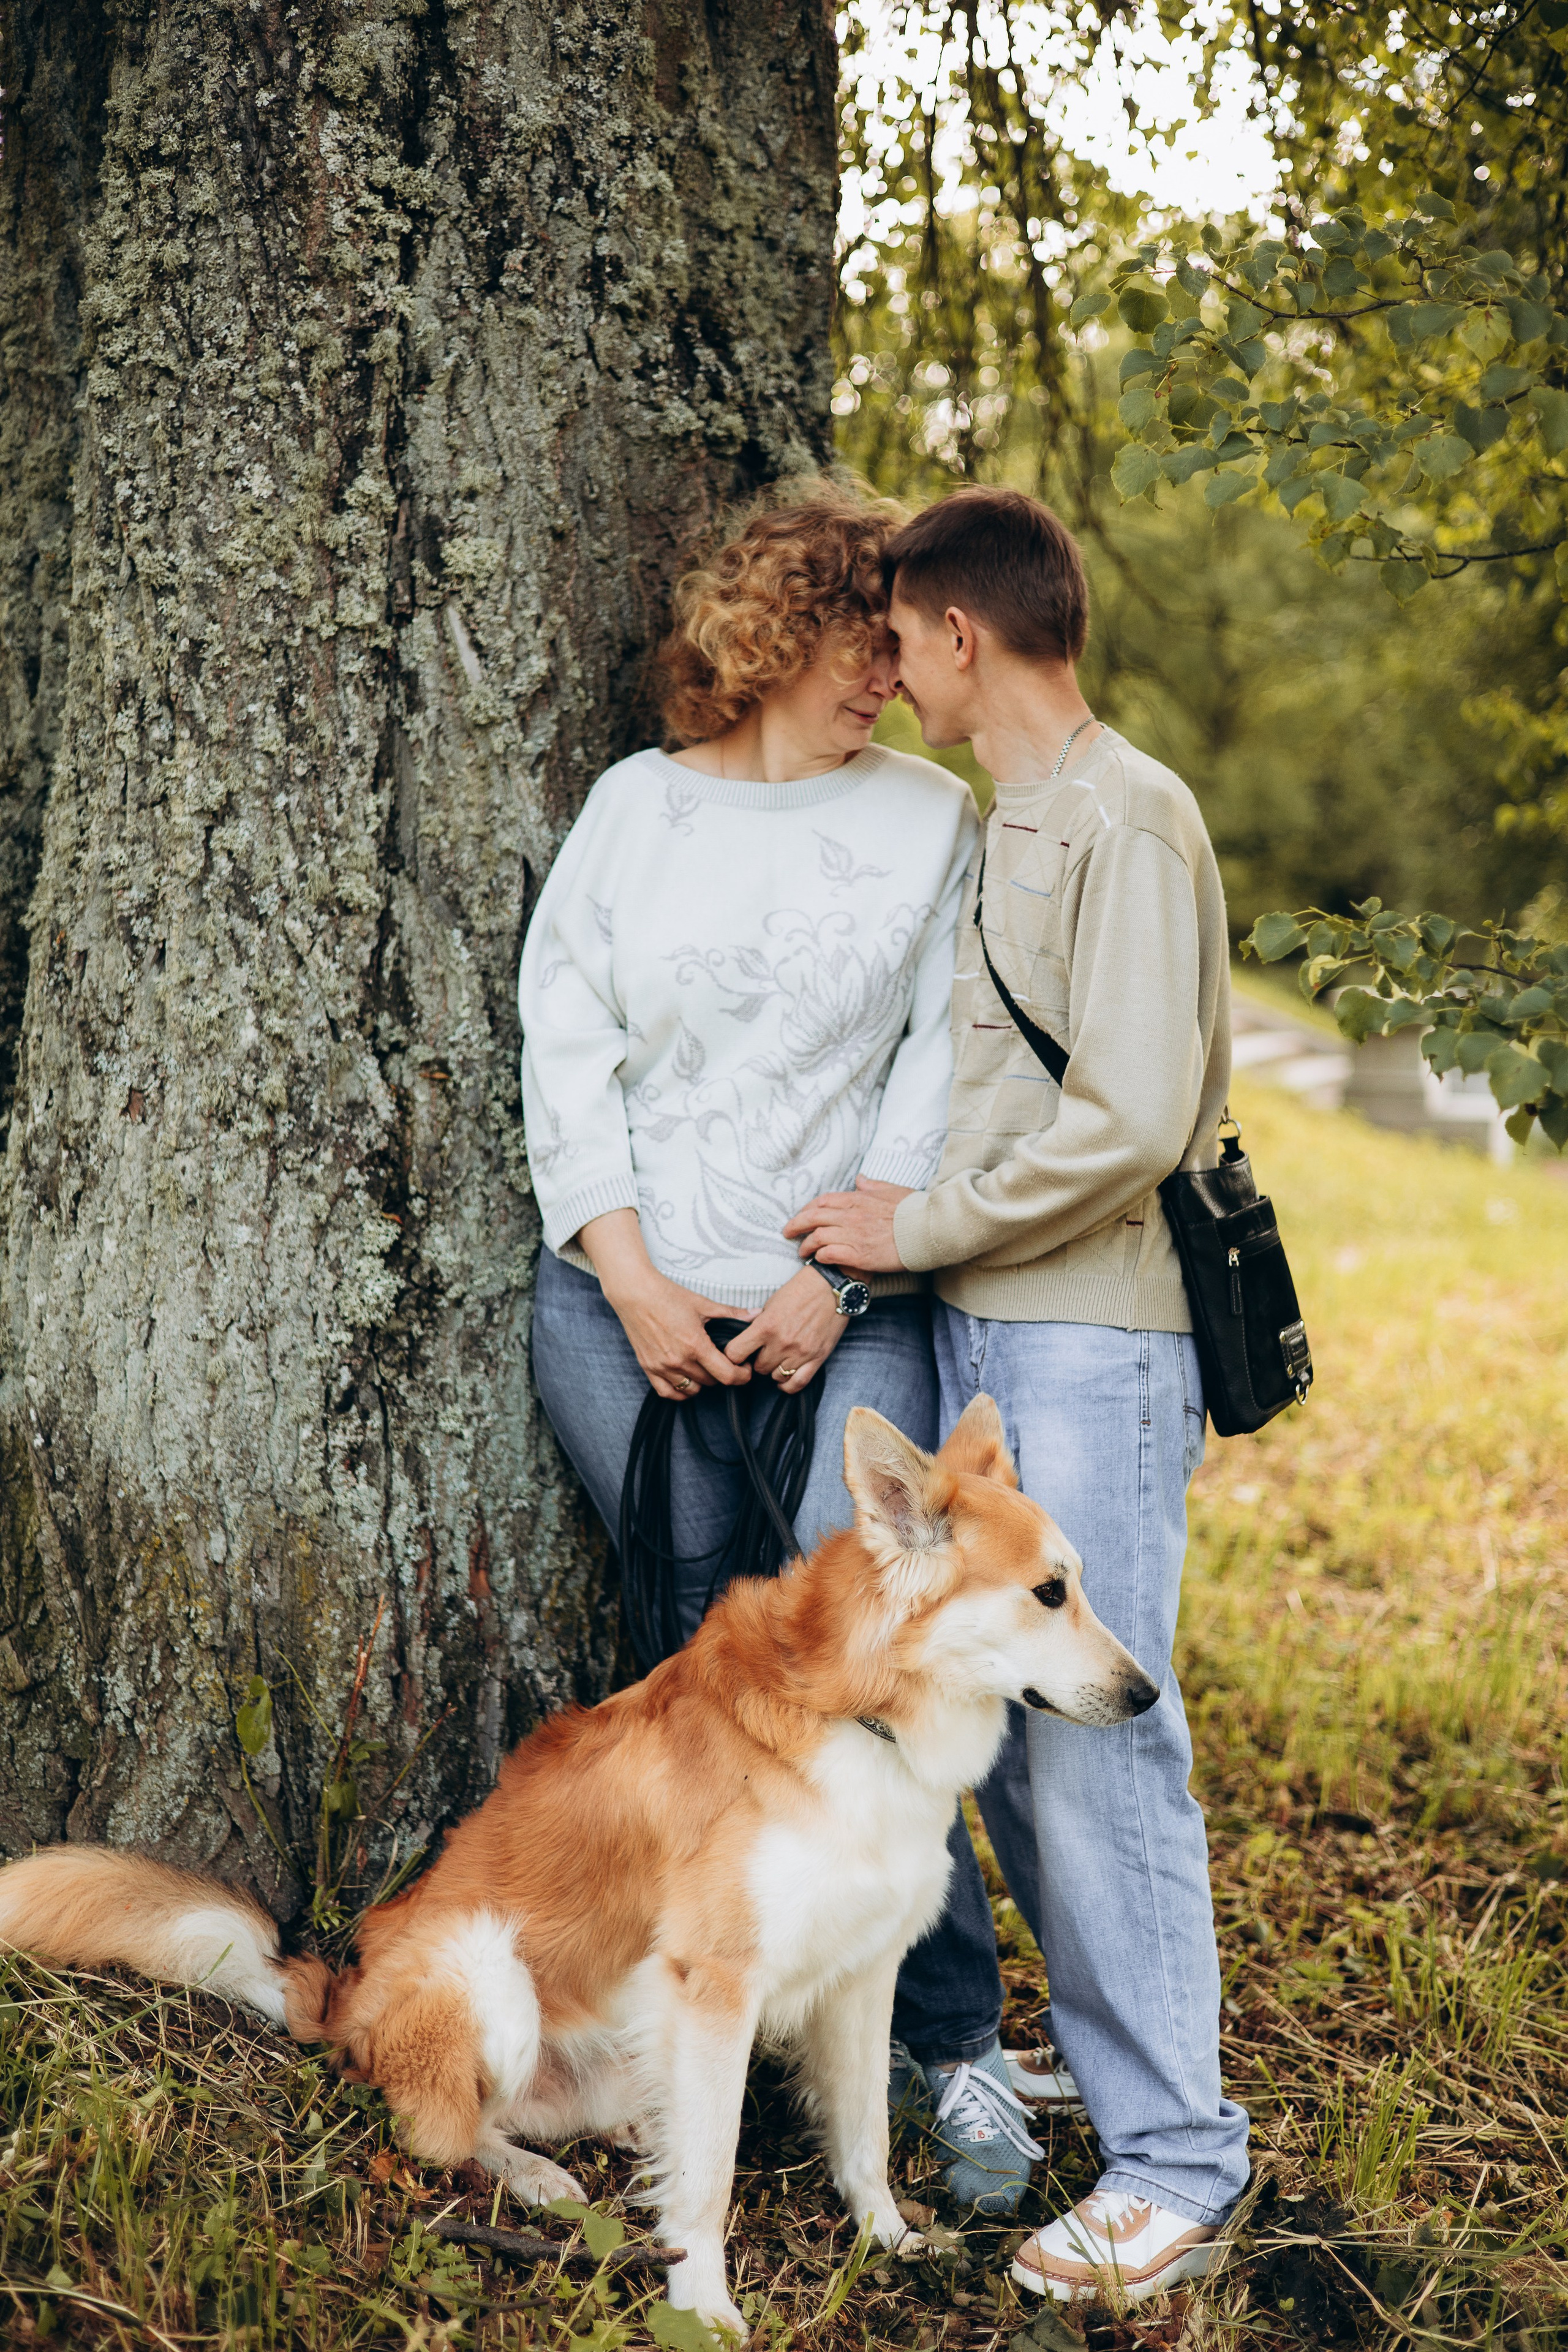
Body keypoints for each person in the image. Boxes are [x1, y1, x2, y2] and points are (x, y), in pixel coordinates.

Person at [786, 485, 1250, 2302]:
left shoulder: (1130, 820)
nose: (890, 674)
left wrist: (923, 1227)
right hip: (991, 1323)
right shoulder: (1018, 821)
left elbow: (1131, 1119)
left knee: (1106, 1735)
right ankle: (1132, 2074)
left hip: (1092, 1335)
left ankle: (1178, 2159)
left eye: (899, 640)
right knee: (1026, 1737)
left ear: (962, 634)